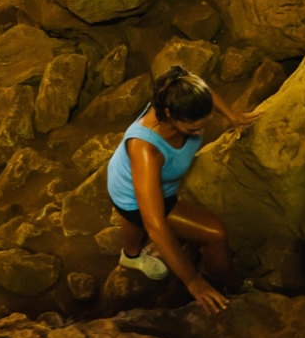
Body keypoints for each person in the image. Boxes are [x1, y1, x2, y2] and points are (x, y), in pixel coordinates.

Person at [107, 65, 257, 314]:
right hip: (130, 192)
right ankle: (229, 284)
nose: (199, 133)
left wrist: (232, 115)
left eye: (203, 124)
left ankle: (131, 254)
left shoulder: (176, 91)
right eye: (191, 129)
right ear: (168, 114)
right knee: (215, 234)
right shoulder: (146, 150)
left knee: (142, 220)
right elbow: (154, 224)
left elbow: (202, 88)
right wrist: (193, 282)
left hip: (125, 172)